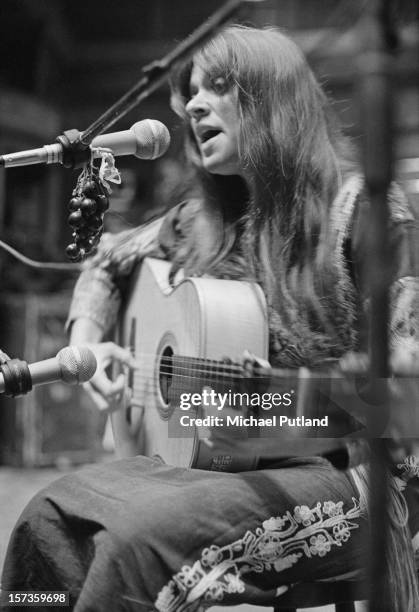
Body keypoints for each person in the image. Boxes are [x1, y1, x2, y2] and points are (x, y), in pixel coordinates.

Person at [2, 25, 419, 612]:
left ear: (276, 99)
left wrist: (276, 410)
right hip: (226, 459)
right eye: (190, 93)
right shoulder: (201, 219)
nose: (193, 104)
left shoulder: (363, 213)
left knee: (132, 545)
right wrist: (89, 347)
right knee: (48, 516)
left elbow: (408, 388)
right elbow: (106, 260)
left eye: (218, 86)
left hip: (352, 474)